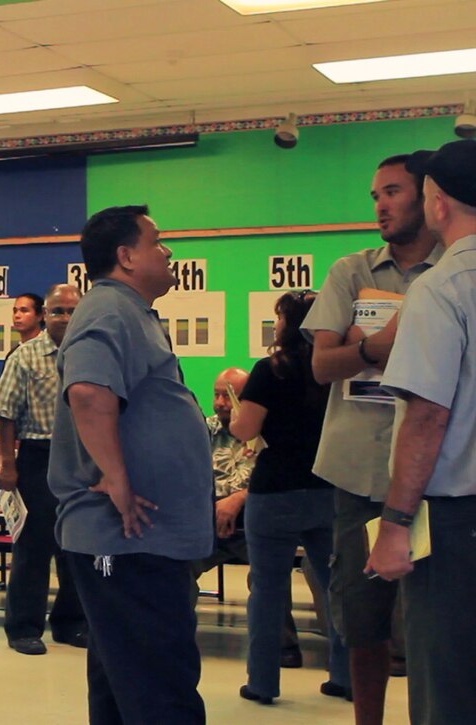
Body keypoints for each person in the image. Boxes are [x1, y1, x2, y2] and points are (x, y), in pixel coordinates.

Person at [48, 205, 211, 724]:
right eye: (157, 242)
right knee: (160, 692)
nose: (168, 252)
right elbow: (89, 392)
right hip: (128, 536)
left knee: (127, 686)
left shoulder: (128, 311)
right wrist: (117, 480)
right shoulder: (109, 310)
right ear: (126, 256)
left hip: (141, 539)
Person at [301, 153, 441, 724]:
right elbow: (321, 365)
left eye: (393, 191)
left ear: (428, 197)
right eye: (374, 195)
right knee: (363, 618)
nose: (381, 204)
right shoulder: (351, 271)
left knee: (435, 618)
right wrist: (375, 349)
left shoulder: (454, 271)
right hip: (358, 472)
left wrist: (367, 345)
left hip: (439, 473)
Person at [368, 139, 476, 725]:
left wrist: (394, 525)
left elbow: (428, 416)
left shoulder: (442, 287)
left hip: (460, 525)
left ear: (437, 203)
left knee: (448, 684)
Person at [230, 291, 350, 705]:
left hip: (275, 491)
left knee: (268, 589)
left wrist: (234, 414)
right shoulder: (335, 370)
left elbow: (245, 431)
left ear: (287, 323)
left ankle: (262, 682)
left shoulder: (269, 370)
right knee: (335, 586)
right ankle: (345, 677)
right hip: (327, 486)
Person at [0, 284, 87, 656]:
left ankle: (71, 623)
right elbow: (6, 416)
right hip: (37, 457)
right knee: (33, 548)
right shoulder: (25, 357)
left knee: (77, 545)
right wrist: (9, 467)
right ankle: (24, 627)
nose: (65, 318)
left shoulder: (91, 354)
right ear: (45, 315)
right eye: (58, 311)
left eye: (72, 310)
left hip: (83, 458)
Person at [191, 368, 304, 669]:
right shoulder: (203, 430)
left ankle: (282, 647)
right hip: (208, 523)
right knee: (176, 564)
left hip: (256, 523)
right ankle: (175, 635)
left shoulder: (270, 434)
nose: (221, 403)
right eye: (217, 395)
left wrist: (238, 499)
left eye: (229, 396)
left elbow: (278, 481)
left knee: (268, 573)